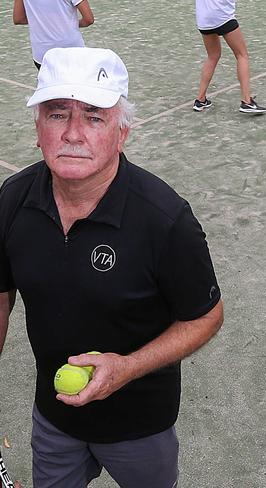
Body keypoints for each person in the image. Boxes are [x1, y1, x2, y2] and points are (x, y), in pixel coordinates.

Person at [0, 47, 224, 487]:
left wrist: (127, 367)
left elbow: (206, 316)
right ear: (37, 129)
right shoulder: (12, 200)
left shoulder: (165, 220)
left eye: (94, 117)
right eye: (57, 113)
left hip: (141, 426)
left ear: (123, 133)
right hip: (54, 415)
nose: (73, 133)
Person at [193, 0, 266, 114]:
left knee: (213, 56)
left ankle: (200, 100)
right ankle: (247, 101)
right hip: (222, 17)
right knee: (242, 55)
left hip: (204, 20)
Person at [12, 0, 94, 70]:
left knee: (51, 88)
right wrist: (68, 23)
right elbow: (88, 19)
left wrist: (43, 21)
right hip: (72, 52)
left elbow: (19, 19)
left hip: (42, 55)